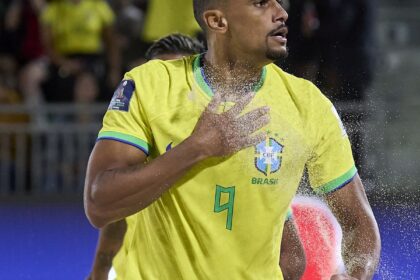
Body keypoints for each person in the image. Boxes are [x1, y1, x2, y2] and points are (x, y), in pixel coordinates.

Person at [84, 0, 381, 279]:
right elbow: (99, 205)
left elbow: (358, 221)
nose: (281, 12)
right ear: (217, 20)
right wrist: (197, 148)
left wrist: (355, 273)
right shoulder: (150, 85)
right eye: (260, 3)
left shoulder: (309, 105)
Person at [87, 33, 305, 280]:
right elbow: (114, 217)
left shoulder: (237, 155)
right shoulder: (138, 155)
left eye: (179, 78)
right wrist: (99, 271)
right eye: (160, 76)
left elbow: (292, 255)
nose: (169, 88)